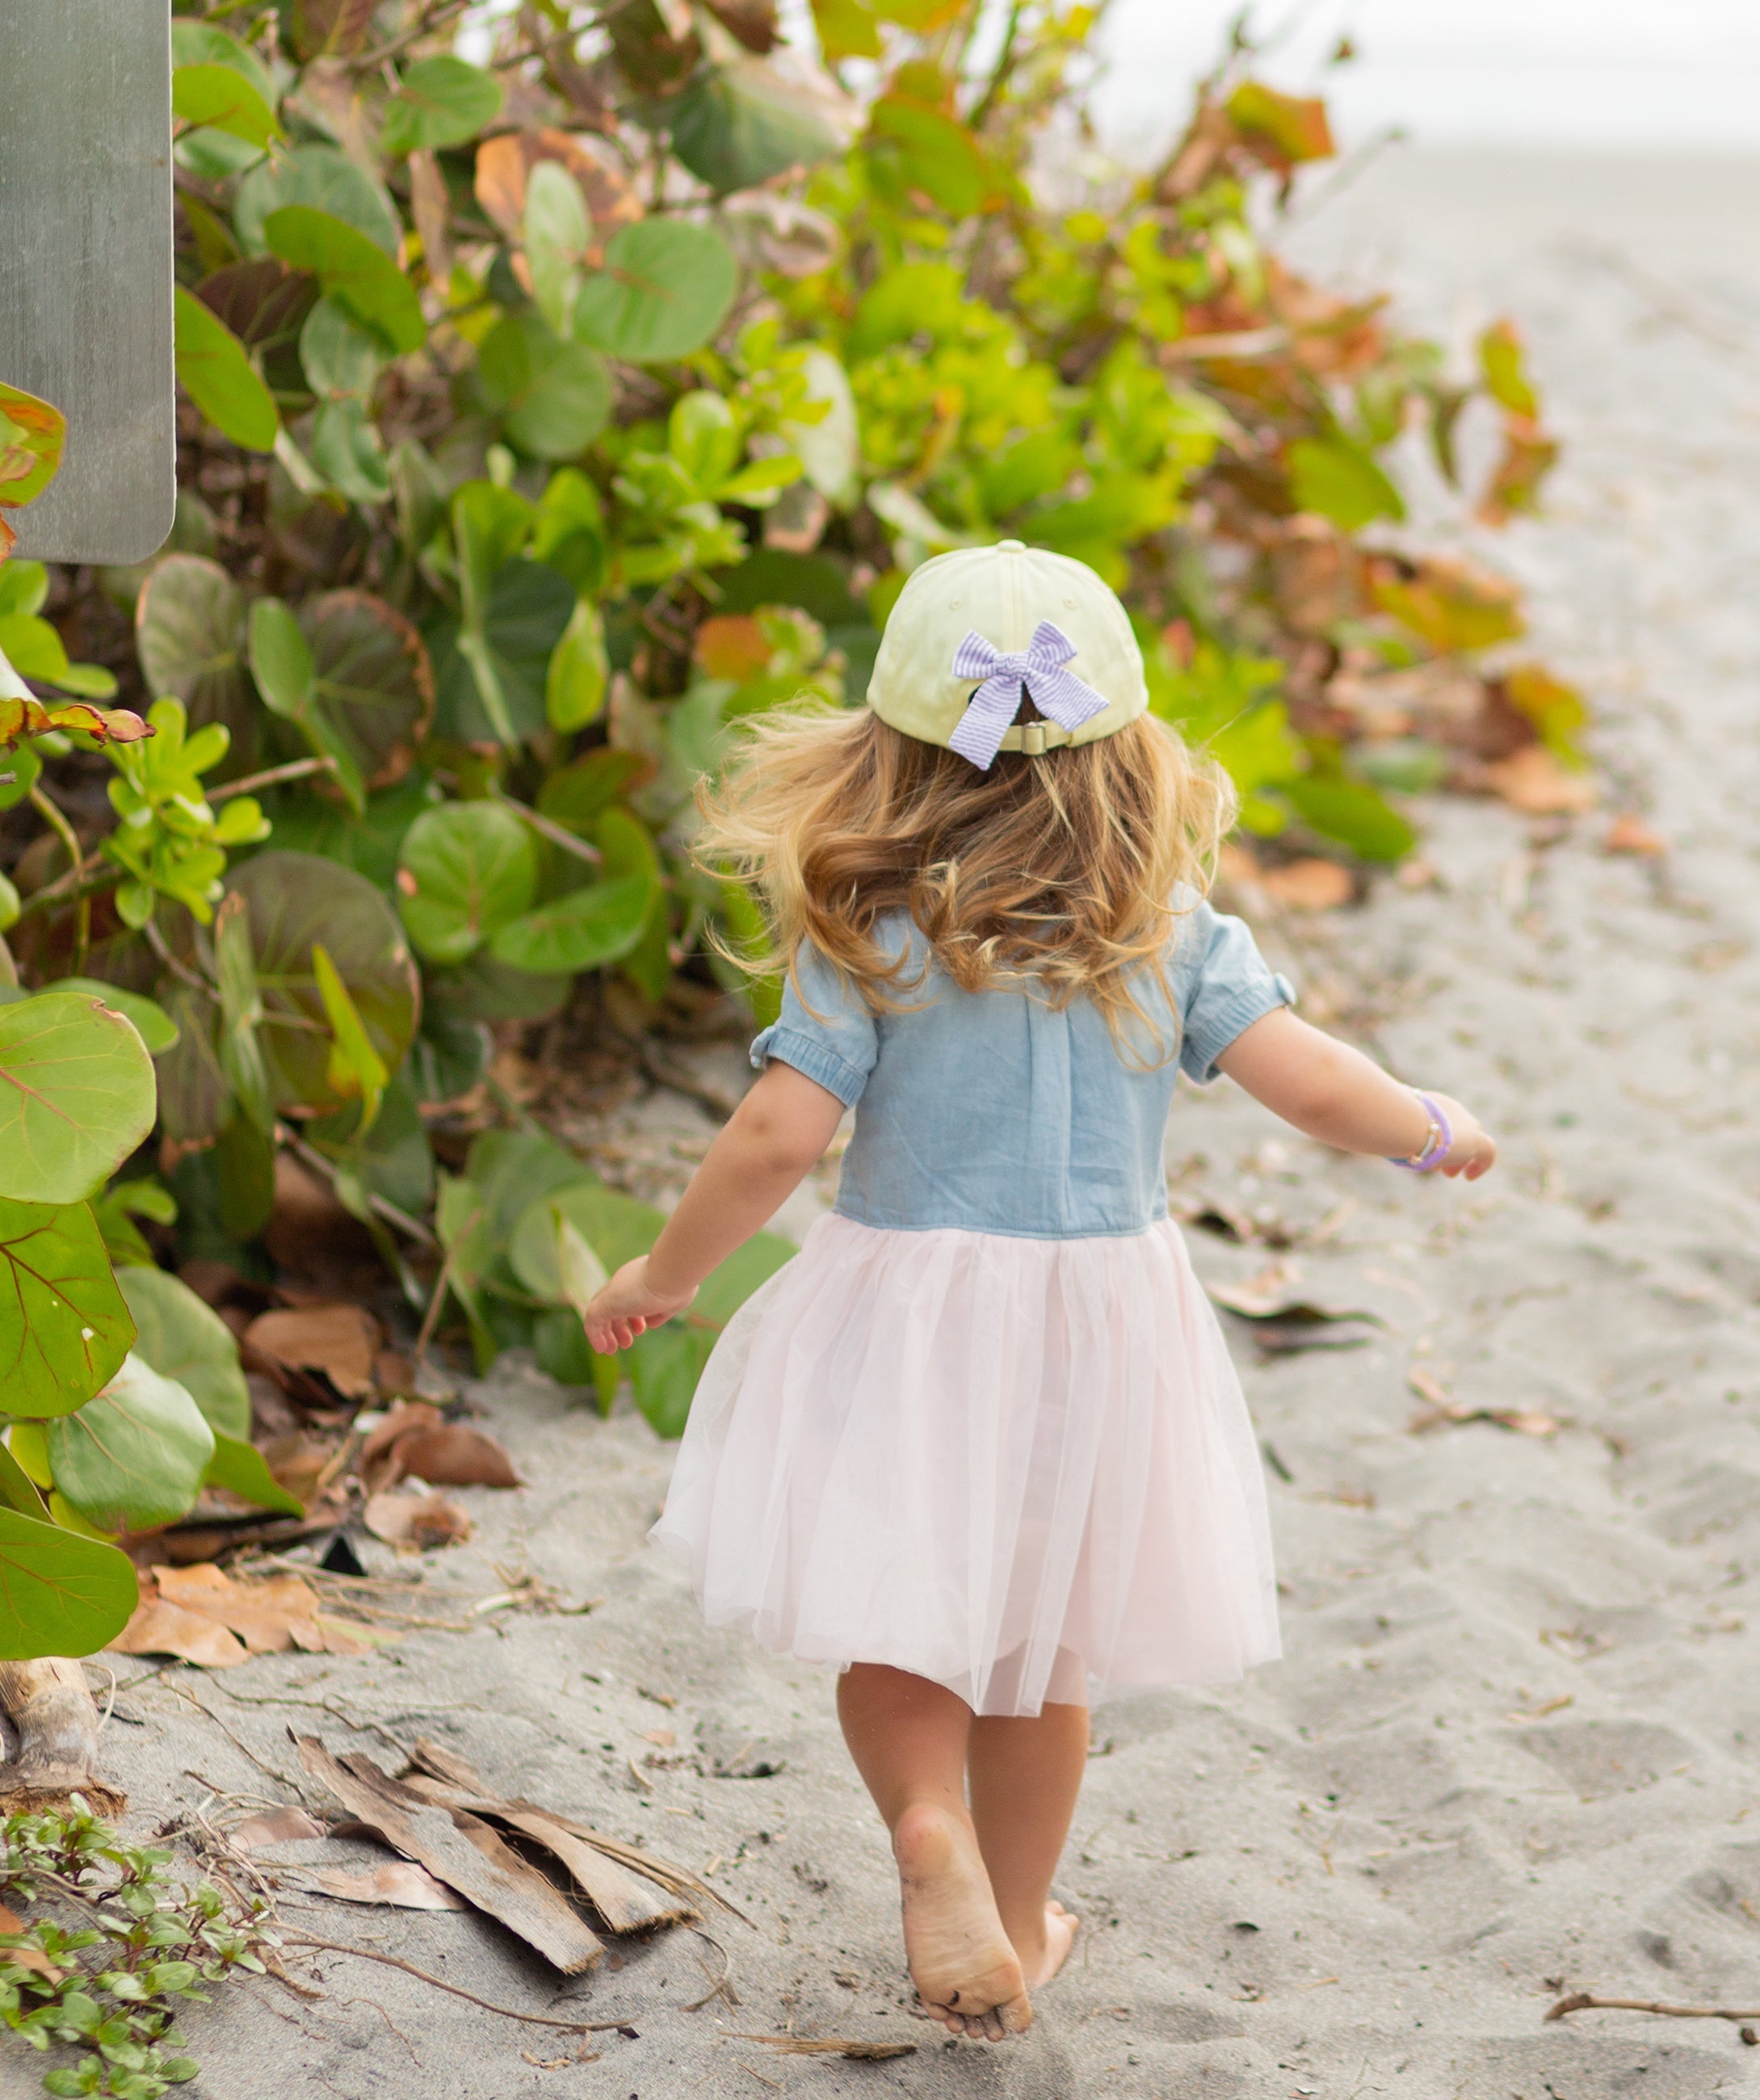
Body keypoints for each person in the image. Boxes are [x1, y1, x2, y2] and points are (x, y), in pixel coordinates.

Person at [583, 540, 1497, 2042]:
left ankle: (922, 1834)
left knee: (902, 1622)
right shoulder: (1170, 930)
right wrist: (1434, 1128)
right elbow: (1314, 1085)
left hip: (912, 1317)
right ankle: (1012, 1919)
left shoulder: (869, 933)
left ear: (883, 756)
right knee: (1042, 1643)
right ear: (1128, 754)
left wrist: (664, 1276)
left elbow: (774, 1140)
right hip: (1099, 1328)